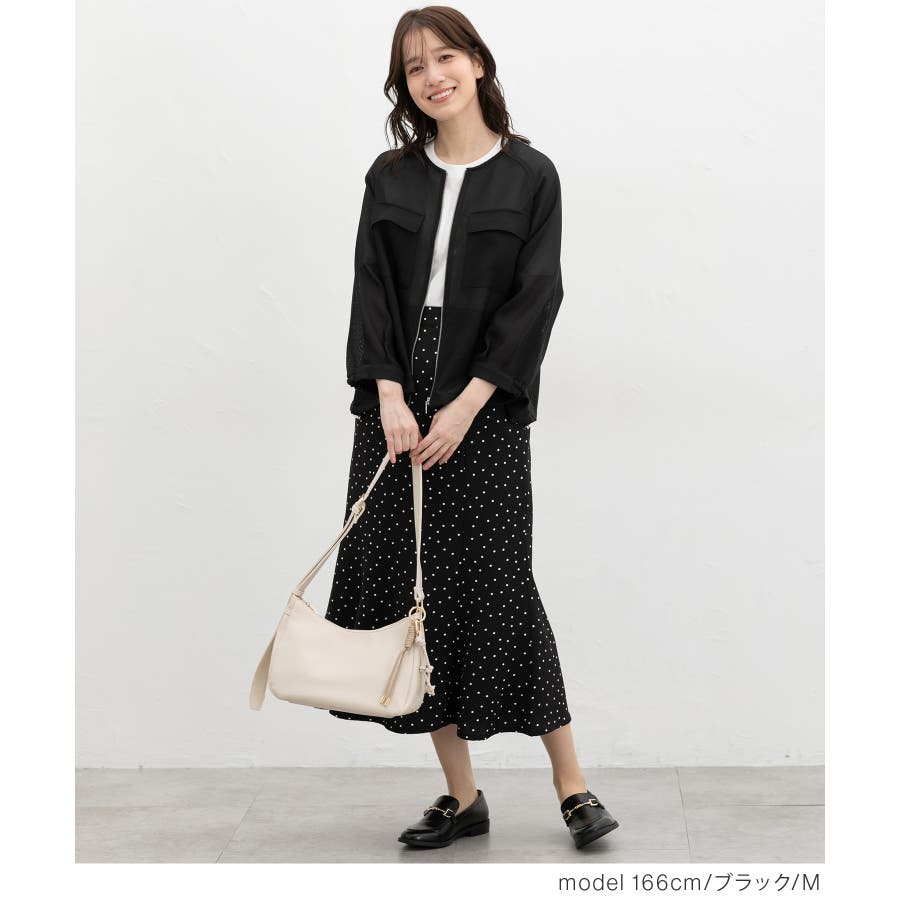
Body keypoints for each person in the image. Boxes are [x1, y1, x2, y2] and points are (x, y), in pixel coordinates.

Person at [323, 6, 620, 851]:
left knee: (499, 583)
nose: (432, 76)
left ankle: (572, 786)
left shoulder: (531, 175)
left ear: (478, 64)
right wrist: (387, 395)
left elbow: (537, 296)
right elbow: (371, 288)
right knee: (415, 592)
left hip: (483, 398)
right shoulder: (390, 176)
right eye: (414, 67)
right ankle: (462, 796)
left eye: (444, 57)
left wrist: (466, 405)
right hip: (395, 395)